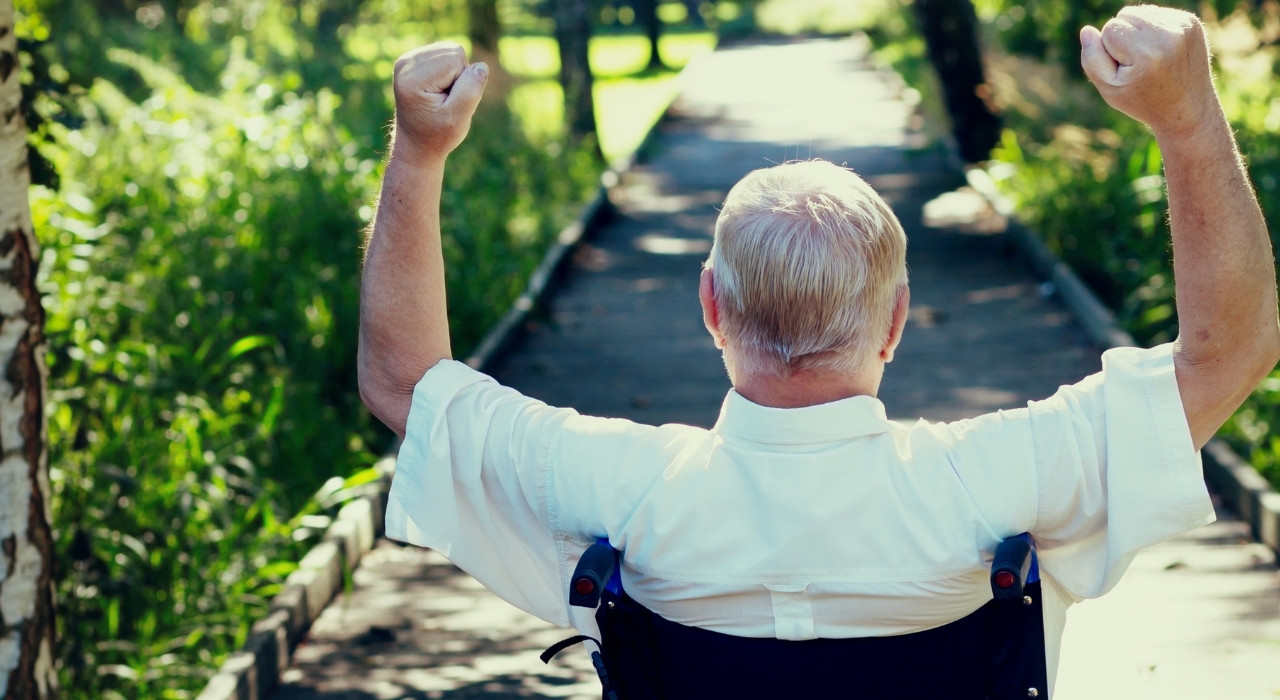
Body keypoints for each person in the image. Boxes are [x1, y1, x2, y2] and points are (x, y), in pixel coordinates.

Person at [358, 5, 1280, 694]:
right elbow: (1229, 354)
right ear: (896, 321)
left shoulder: (625, 491)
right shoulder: (992, 481)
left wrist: (420, 150)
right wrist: (1189, 119)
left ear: (710, 307)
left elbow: (405, 383)